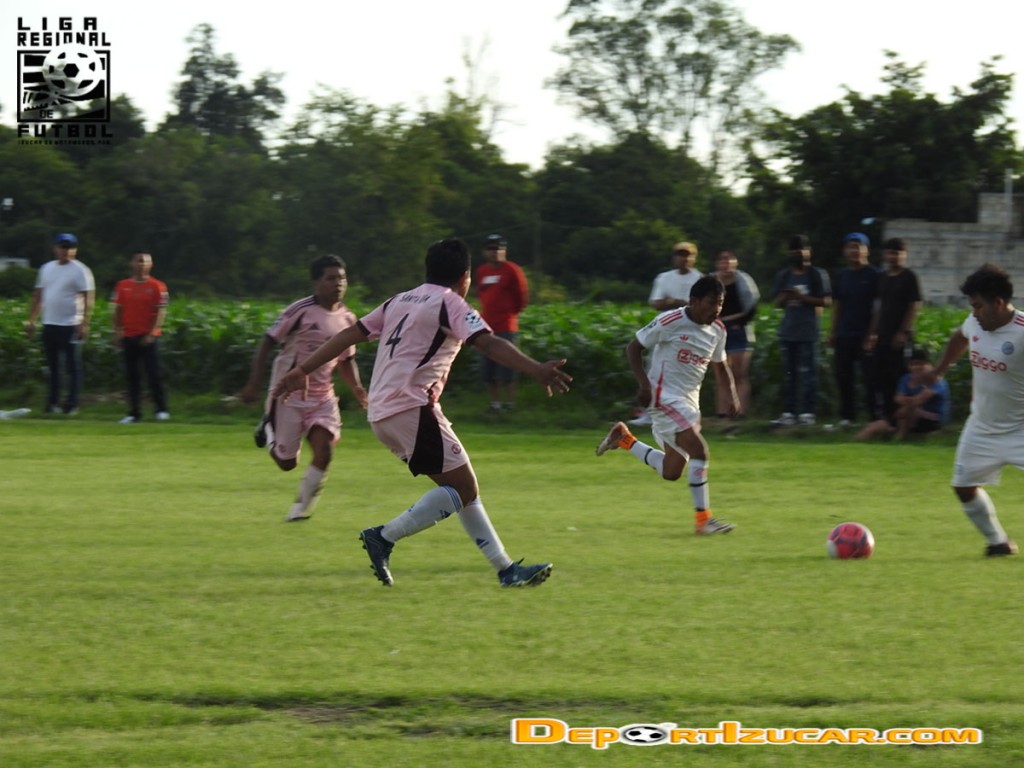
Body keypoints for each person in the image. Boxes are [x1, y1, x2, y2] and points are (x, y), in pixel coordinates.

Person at [274, 238, 572, 586]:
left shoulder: (399, 300)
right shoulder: (451, 303)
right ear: (465, 277)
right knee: (463, 489)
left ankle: (506, 569)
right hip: (412, 407)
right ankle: (383, 536)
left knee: (462, 489)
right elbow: (489, 343)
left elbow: (348, 335)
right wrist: (535, 369)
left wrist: (303, 369)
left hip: (383, 412)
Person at [595, 275, 739, 536]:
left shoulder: (718, 330)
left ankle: (624, 439)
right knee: (700, 451)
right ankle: (703, 521)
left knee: (671, 471)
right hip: (663, 398)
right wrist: (644, 385)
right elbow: (633, 348)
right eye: (712, 302)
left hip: (689, 403)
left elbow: (720, 366)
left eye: (720, 303)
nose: (717, 309)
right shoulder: (670, 321)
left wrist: (731, 394)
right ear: (694, 301)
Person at [241, 255, 368, 522]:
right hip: (288, 396)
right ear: (316, 283)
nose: (338, 284)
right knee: (287, 463)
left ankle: (299, 509)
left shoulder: (347, 318)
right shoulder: (300, 311)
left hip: (323, 397)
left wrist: (357, 388)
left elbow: (347, 360)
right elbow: (267, 342)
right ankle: (268, 427)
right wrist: (254, 383)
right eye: (330, 278)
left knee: (325, 452)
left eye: (342, 278)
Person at [926, 264, 1021, 556]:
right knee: (963, 486)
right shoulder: (975, 323)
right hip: (982, 427)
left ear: (998, 303)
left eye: (978, 306)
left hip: (1020, 428)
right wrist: (939, 370)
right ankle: (998, 543)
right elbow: (959, 337)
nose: (974, 313)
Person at [632, 240, 703, 426]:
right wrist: (678, 303)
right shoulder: (663, 278)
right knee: (655, 369)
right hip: (665, 329)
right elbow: (656, 302)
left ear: (694, 258)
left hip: (689, 332)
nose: (684, 259)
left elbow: (697, 307)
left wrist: (674, 302)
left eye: (688, 255)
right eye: (680, 255)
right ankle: (649, 414)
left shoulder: (700, 279)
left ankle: (683, 413)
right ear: (674, 258)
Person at [25, 233, 95, 414]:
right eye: (63, 247)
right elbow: (39, 295)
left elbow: (88, 297)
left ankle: (72, 403)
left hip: (70, 324)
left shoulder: (80, 270)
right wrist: (32, 319)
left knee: (73, 366)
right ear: (55, 248)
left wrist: (84, 322)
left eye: (70, 247)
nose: (66, 251)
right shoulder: (46, 268)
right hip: (50, 323)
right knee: (53, 367)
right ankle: (53, 403)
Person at [771, 235, 831, 426]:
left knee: (809, 375)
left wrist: (801, 297)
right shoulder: (784, 275)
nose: (798, 254)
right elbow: (776, 302)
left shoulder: (816, 274)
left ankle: (807, 412)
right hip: (788, 330)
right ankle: (789, 412)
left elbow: (826, 301)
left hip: (808, 331)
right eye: (794, 251)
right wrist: (785, 297)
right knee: (789, 375)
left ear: (809, 252)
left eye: (801, 250)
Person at [828, 233, 880, 428]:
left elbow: (879, 307)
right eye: (850, 247)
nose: (854, 251)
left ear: (866, 251)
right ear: (844, 251)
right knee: (843, 376)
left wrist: (873, 333)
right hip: (844, 333)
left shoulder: (875, 275)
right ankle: (847, 417)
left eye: (858, 247)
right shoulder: (842, 275)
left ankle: (875, 416)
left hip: (865, 334)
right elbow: (837, 305)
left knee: (870, 377)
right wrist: (833, 331)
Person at [867, 237, 921, 422]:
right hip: (882, 335)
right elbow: (878, 307)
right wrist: (872, 333)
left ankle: (901, 417)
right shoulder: (882, 278)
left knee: (899, 376)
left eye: (897, 253)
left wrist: (903, 332)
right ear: (885, 255)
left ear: (904, 255)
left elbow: (914, 306)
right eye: (890, 253)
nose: (894, 257)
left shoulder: (909, 277)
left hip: (899, 337)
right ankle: (885, 416)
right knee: (879, 376)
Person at [112, 252, 171, 423]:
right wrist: (117, 331)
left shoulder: (158, 286)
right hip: (128, 335)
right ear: (131, 264)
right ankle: (133, 412)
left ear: (151, 265)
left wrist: (152, 333)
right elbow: (118, 310)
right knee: (132, 376)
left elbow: (161, 311)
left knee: (154, 374)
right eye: (138, 261)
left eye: (145, 262)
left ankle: (161, 409)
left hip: (148, 337)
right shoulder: (122, 285)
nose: (141, 265)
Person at [474, 233, 529, 412]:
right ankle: (495, 403)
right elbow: (481, 295)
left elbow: (521, 298)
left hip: (506, 325)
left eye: (499, 248)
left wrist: (510, 314)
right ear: (484, 252)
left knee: (508, 367)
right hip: (486, 326)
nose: (495, 252)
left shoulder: (512, 270)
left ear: (504, 251)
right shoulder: (481, 271)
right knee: (488, 369)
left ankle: (510, 403)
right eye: (491, 249)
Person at [853, 348, 950, 441]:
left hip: (933, 419)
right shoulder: (906, 379)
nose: (916, 367)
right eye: (912, 364)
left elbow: (919, 400)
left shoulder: (937, 381)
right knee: (878, 425)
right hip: (908, 415)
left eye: (920, 364)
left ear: (929, 365)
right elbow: (898, 398)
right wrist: (910, 402)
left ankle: (899, 437)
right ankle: (856, 441)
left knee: (907, 412)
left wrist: (907, 403)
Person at [712, 249, 759, 419]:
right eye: (722, 260)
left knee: (739, 374)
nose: (726, 263)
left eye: (729, 259)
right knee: (720, 374)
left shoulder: (744, 281)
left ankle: (741, 412)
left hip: (739, 330)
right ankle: (722, 412)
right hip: (716, 331)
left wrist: (731, 320)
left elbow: (751, 308)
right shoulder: (711, 281)